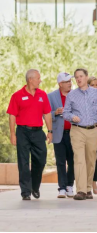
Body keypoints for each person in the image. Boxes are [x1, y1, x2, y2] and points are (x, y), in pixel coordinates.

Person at [63, 68, 97, 200]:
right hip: (77, 130)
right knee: (79, 159)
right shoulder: (71, 95)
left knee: (91, 161)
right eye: (76, 77)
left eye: (81, 76)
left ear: (86, 77)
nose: (78, 79)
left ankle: (88, 188)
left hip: (93, 130)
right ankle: (81, 190)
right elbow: (65, 113)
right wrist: (72, 117)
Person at [7, 69, 53, 200]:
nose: (40, 80)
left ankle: (34, 186)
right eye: (38, 78)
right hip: (22, 132)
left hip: (38, 132)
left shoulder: (42, 95)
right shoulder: (17, 96)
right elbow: (12, 116)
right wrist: (12, 134)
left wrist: (50, 131)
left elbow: (47, 114)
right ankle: (26, 192)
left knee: (41, 159)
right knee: (23, 162)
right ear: (30, 80)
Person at [48, 72, 75, 198]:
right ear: (60, 84)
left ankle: (70, 185)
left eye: (70, 81)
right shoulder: (51, 96)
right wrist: (55, 113)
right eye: (67, 81)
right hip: (58, 134)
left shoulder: (76, 95)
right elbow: (46, 115)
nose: (70, 83)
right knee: (60, 162)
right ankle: (62, 188)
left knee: (73, 161)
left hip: (74, 134)